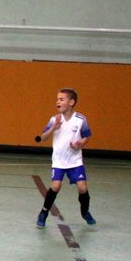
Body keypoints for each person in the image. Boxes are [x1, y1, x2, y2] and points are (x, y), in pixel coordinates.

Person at [35, 88, 95, 228]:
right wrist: (53, 128)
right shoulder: (54, 119)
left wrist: (80, 144)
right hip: (59, 161)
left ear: (71, 102)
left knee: (82, 187)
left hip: (75, 161)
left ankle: (85, 212)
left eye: (61, 99)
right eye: (57, 99)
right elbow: (43, 137)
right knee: (56, 186)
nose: (58, 102)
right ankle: (43, 212)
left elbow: (86, 136)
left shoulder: (81, 119)